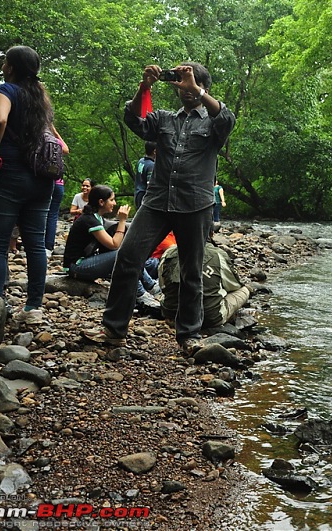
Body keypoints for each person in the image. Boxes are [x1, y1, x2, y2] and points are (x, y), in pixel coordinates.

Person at [83, 62, 235, 351]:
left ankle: (189, 336)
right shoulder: (164, 119)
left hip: (195, 205)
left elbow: (227, 118)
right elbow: (134, 120)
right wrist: (145, 87)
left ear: (203, 87)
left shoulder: (213, 122)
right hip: (156, 203)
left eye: (190, 82)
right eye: (180, 82)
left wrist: (198, 91)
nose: (185, 88)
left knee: (191, 271)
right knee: (127, 259)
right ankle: (114, 330)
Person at [0, 46, 55, 323]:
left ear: (10, 67)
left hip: (10, 175)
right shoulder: (41, 97)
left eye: (4, 62)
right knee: (35, 243)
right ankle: (33, 307)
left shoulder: (5, 90)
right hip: (41, 180)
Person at [62, 184, 160, 309]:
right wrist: (122, 220)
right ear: (101, 202)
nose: (114, 203)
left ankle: (150, 286)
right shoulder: (89, 220)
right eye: (112, 200)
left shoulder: (97, 218)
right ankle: (142, 293)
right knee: (123, 254)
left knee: (128, 255)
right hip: (76, 266)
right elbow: (114, 245)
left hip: (82, 262)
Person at [158, 234, 250, 329]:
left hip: (172, 314)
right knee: (244, 290)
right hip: (209, 318)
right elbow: (234, 286)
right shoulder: (218, 254)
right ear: (211, 234)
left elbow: (162, 285)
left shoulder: (169, 253)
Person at [45, 134, 69, 256]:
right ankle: (48, 247)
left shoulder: (40, 138)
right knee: (53, 214)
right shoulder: (55, 142)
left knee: (41, 213)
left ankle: (38, 245)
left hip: (43, 182)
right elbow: (66, 149)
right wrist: (54, 130)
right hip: (58, 182)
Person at [134, 141, 155, 209]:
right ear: (154, 151)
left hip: (137, 194)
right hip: (144, 197)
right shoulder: (151, 165)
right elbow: (150, 185)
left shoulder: (141, 161)